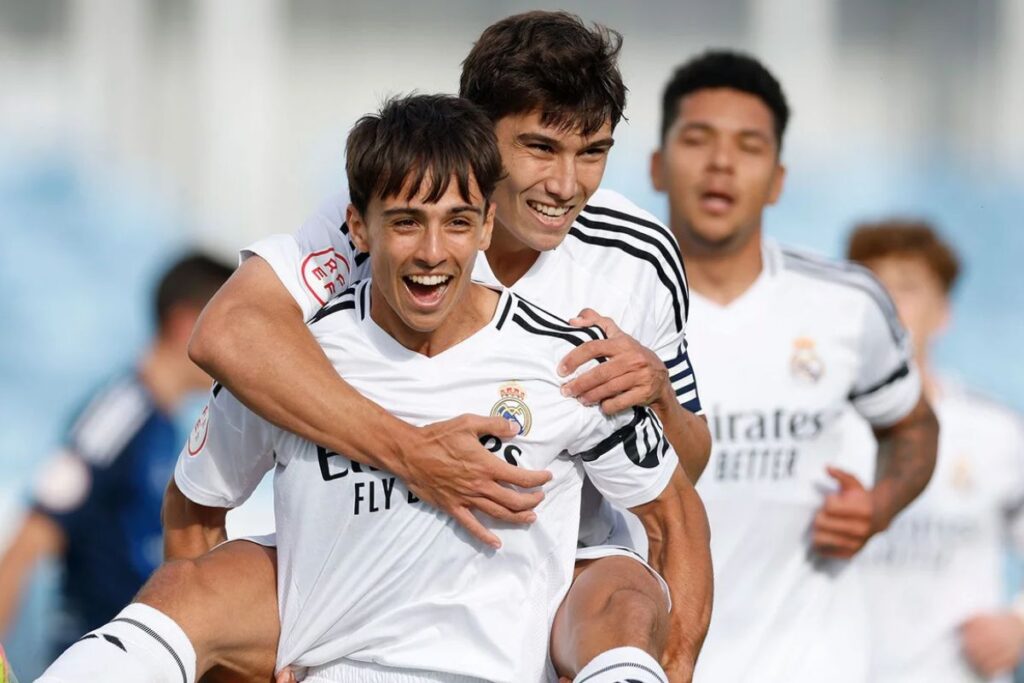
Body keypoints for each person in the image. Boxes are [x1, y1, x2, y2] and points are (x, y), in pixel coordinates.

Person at [39, 93, 688, 683]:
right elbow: (194, 507)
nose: (432, 251)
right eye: (406, 222)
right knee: (183, 588)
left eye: (457, 222)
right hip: (336, 668)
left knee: (626, 586)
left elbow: (676, 521)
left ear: (486, 226)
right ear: (357, 226)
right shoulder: (292, 363)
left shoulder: (570, 361)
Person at [648, 50, 939, 682]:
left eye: (748, 146)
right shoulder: (608, 308)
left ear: (778, 179)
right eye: (697, 139)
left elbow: (913, 425)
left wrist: (880, 504)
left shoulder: (846, 303)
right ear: (657, 166)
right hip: (656, 667)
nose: (721, 163)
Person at [0, 254, 231, 659]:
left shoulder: (164, 426)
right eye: (230, 326)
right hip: (90, 661)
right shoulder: (120, 414)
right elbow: (27, 542)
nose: (239, 346)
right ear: (185, 323)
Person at [847, 220, 1024, 683]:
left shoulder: (995, 431)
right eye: (873, 287)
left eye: (907, 287)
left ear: (943, 313)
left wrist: (1019, 623)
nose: (889, 303)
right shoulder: (814, 429)